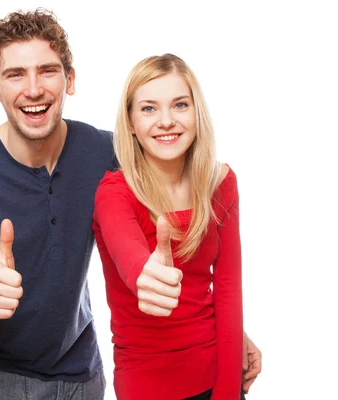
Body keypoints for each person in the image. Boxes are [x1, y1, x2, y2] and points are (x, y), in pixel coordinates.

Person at [0, 9, 261, 399]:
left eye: (48, 70)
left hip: (84, 375)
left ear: (70, 79)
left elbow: (159, 184)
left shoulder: (105, 151)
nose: (33, 89)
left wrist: (229, 333)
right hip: (2, 379)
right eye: (15, 74)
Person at [92, 54, 246, 399]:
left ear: (196, 113)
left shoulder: (221, 183)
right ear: (130, 122)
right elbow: (127, 251)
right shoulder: (114, 192)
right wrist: (145, 275)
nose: (166, 121)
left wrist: (228, 392)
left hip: (216, 376)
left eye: (179, 105)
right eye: (148, 109)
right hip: (145, 384)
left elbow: (228, 291)